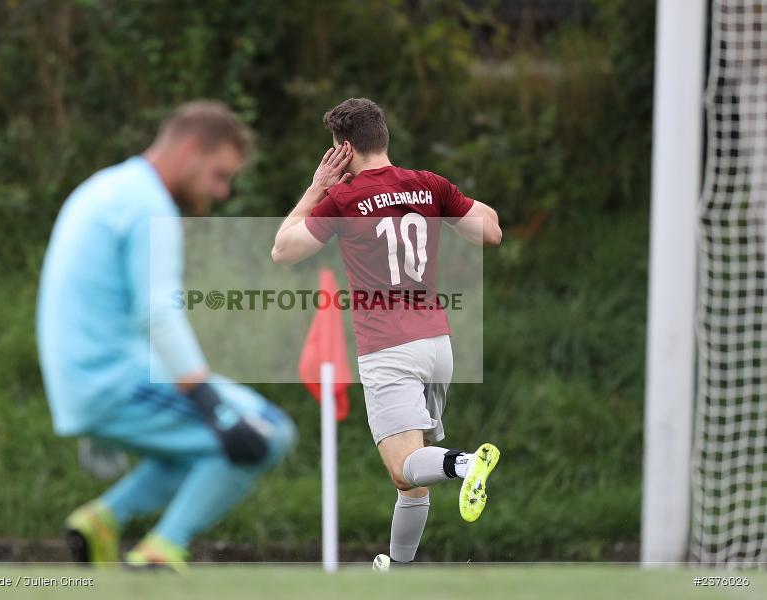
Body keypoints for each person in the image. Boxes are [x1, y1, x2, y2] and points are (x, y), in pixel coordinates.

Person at [37, 100, 296, 571]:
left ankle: (103, 520)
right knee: (268, 433)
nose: (222, 192)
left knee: (202, 447)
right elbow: (156, 313)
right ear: (190, 150)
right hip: (112, 381)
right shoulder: (146, 205)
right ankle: (161, 550)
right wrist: (210, 404)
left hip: (84, 379)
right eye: (220, 175)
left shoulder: (105, 188)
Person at [271, 98, 501, 568]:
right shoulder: (428, 185)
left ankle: (464, 463)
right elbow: (492, 232)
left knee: (403, 468)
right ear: (383, 137)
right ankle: (399, 570)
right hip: (437, 345)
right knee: (414, 480)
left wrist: (316, 187)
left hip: (389, 348)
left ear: (343, 148)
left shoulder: (343, 200)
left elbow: (283, 250)